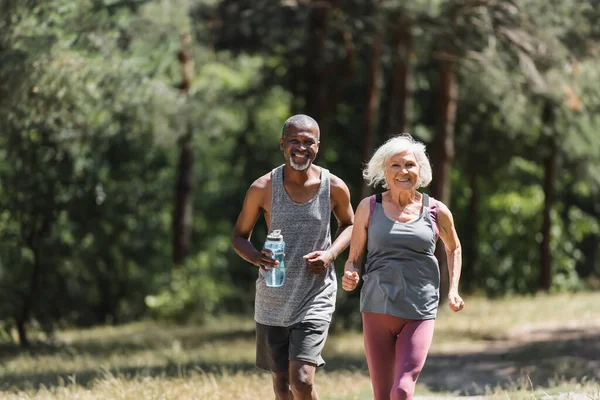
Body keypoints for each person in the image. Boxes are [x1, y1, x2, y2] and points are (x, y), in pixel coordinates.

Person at [232, 114, 354, 400]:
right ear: (282, 144)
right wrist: (256, 258)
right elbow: (239, 236)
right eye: (294, 141)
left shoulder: (333, 186)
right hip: (273, 298)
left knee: (301, 381)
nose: (301, 147)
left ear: (318, 146)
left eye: (308, 142)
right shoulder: (262, 188)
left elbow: (349, 224)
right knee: (282, 388)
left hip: (315, 294)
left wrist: (330, 253)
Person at [341, 135, 464, 400]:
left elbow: (453, 247)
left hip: (419, 309)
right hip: (377, 307)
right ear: (384, 170)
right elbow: (354, 259)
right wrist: (350, 274)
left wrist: (453, 289)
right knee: (383, 395)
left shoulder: (436, 210)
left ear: (421, 170)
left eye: (409, 164)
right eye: (395, 165)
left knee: (403, 390)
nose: (403, 171)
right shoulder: (369, 207)